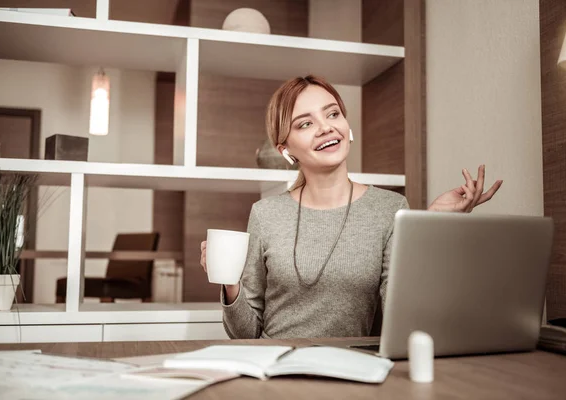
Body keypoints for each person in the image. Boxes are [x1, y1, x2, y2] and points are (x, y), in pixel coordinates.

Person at [200, 75, 503, 339]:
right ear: (286, 150)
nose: (325, 128)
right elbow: (246, 333)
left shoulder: (390, 208)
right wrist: (230, 281)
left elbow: (404, 317)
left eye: (332, 114)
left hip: (352, 369)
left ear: (347, 127)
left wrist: (429, 226)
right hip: (277, 369)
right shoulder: (265, 214)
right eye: (305, 123)